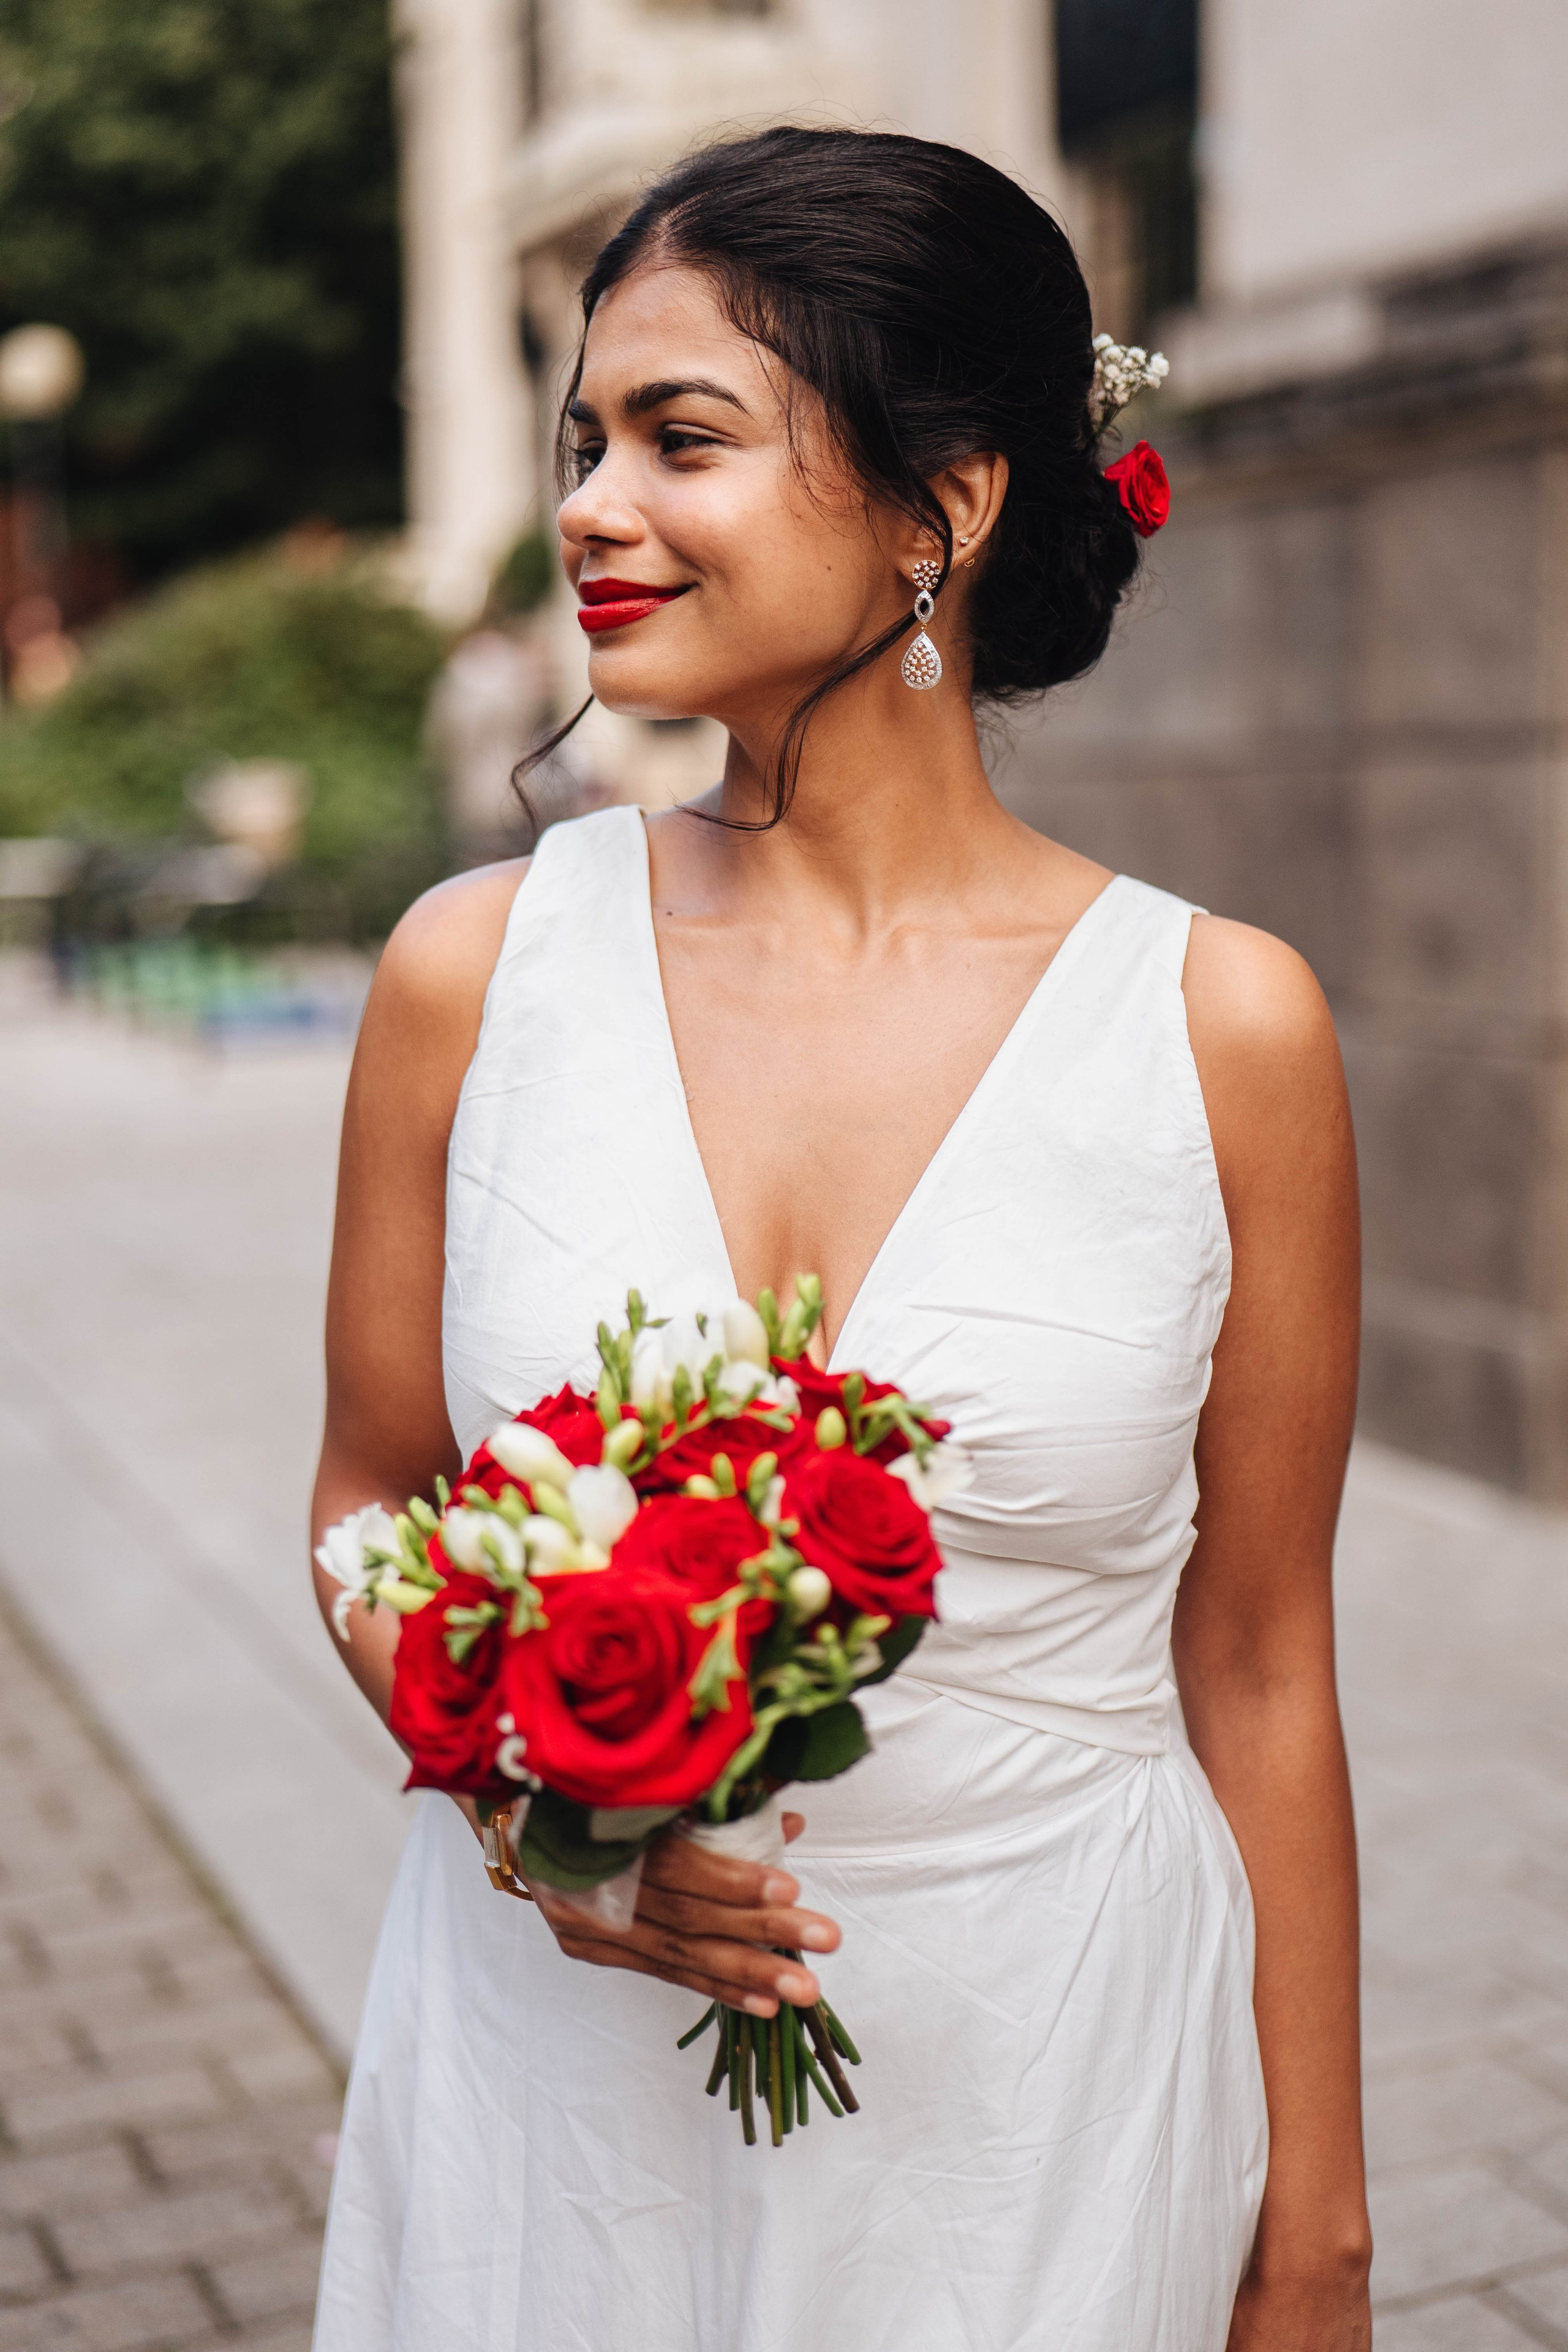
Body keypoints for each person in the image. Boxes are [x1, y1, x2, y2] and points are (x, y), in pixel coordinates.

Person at [309, 127, 1370, 2352]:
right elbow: (371, 1494)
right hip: (558, 2101)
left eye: (680, 436)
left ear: (946, 503)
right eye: (582, 437)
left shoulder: (1223, 1025)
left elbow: (1262, 1658)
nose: (590, 504)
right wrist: (540, 1815)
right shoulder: (465, 973)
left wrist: (1316, 2243)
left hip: (1054, 2091)